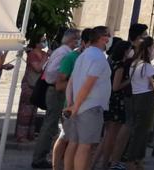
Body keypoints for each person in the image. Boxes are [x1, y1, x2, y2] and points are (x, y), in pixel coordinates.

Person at [64, 26, 112, 170]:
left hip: (78, 106)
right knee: (85, 147)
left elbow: (71, 82)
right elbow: (88, 84)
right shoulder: (98, 58)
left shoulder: (83, 55)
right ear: (104, 39)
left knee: (74, 143)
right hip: (89, 107)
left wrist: (71, 104)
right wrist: (76, 106)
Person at [33, 28, 78, 168]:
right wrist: (61, 80)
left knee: (58, 126)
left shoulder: (62, 51)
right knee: (50, 125)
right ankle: (39, 158)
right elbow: (51, 72)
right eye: (78, 38)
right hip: (56, 91)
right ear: (72, 40)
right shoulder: (64, 53)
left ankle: (53, 156)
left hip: (56, 90)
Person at [94, 39, 132, 170]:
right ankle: (105, 164)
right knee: (110, 136)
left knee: (106, 136)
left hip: (108, 99)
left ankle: (94, 163)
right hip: (116, 101)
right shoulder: (120, 66)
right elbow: (116, 86)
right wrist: (129, 81)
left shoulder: (110, 61)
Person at [122, 37, 154, 170]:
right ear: (148, 48)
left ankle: (136, 158)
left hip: (136, 97)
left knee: (139, 130)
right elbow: (153, 84)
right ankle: (133, 159)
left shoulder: (134, 64)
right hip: (146, 98)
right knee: (141, 132)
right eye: (153, 46)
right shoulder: (146, 66)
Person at [17, 35, 49, 143]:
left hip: (38, 85)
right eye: (42, 41)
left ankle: (30, 134)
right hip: (29, 84)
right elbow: (37, 68)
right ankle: (21, 135)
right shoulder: (32, 54)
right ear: (36, 43)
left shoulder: (44, 54)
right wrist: (46, 57)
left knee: (33, 111)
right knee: (26, 111)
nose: (44, 43)